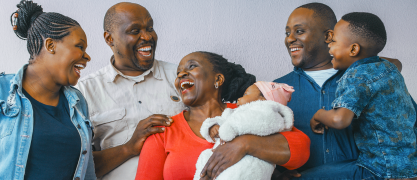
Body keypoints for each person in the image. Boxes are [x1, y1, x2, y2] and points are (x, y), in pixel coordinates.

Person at [274, 2, 417, 179]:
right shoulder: (276, 91)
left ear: (329, 36)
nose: (289, 39)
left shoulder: (371, 80)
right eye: (287, 33)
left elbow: (409, 124)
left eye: (299, 31)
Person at [135, 51, 310, 180]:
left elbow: (301, 148)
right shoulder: (164, 131)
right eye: (178, 72)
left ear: (218, 80)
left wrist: (244, 144)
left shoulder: (247, 109)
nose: (181, 74)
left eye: (192, 66)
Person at [0, 0, 95, 179]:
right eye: (80, 46)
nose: (87, 56)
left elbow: (88, 174)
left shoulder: (78, 103)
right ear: (50, 45)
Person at [75, 2, 186, 179]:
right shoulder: (85, 91)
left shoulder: (180, 77)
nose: (147, 36)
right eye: (135, 31)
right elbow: (77, 167)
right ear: (109, 39)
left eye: (150, 28)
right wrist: (129, 147)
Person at [195, 82, 298, 180]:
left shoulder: (267, 112)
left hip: (248, 164)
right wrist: (213, 126)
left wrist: (228, 130)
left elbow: (245, 122)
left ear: (263, 99)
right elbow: (224, 120)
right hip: (223, 160)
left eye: (245, 94)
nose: (240, 98)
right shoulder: (235, 112)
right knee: (204, 158)